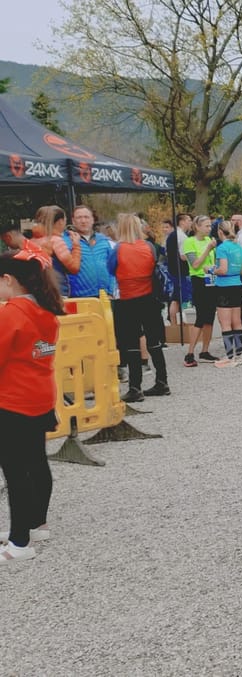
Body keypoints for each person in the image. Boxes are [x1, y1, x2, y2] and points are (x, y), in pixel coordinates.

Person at [0, 250, 64, 563]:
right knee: (36, 462)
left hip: (12, 399)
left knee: (15, 472)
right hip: (39, 395)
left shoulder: (11, 313)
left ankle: (19, 542)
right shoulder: (47, 311)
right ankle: (36, 523)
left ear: (8, 280)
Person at [107, 213, 170, 401]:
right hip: (149, 298)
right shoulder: (149, 247)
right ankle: (162, 381)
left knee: (131, 344)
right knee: (154, 342)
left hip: (127, 299)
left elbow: (111, 269)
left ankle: (136, 387)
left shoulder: (118, 249)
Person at [182, 216, 219, 366]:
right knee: (201, 317)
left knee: (210, 317)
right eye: (206, 226)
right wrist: (208, 249)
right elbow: (195, 264)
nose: (209, 229)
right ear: (197, 227)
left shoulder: (208, 240)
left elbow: (212, 261)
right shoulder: (190, 242)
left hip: (210, 279)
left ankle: (205, 350)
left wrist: (213, 267)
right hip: (198, 280)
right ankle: (190, 352)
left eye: (210, 226)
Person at [210, 220, 242, 367]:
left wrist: (212, 269)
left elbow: (223, 269)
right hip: (237, 284)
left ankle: (229, 356)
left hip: (224, 286)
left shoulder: (222, 248)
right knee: (237, 320)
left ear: (220, 232)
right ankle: (239, 354)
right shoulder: (239, 247)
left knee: (225, 322)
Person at [63, 205, 115, 299]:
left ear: (93, 220)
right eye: (79, 217)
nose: (83, 221)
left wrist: (111, 290)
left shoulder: (104, 240)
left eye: (86, 217)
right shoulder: (66, 241)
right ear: (73, 221)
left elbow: (114, 268)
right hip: (79, 298)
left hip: (105, 297)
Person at [32, 205, 76, 296]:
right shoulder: (56, 240)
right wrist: (76, 245)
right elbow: (73, 267)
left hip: (38, 288)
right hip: (57, 288)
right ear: (60, 222)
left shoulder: (32, 241)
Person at [164, 213, 193, 327]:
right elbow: (183, 256)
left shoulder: (172, 235)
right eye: (189, 220)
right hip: (180, 271)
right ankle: (175, 323)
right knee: (177, 298)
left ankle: (176, 321)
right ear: (182, 222)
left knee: (177, 297)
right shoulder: (182, 237)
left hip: (173, 270)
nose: (190, 223)